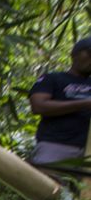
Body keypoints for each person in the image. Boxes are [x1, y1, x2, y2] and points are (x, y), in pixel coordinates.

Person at [28, 36, 91, 165]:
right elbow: (38, 106)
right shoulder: (52, 78)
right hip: (56, 145)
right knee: (47, 184)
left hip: (88, 151)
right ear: (75, 54)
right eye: (90, 53)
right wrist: (84, 104)